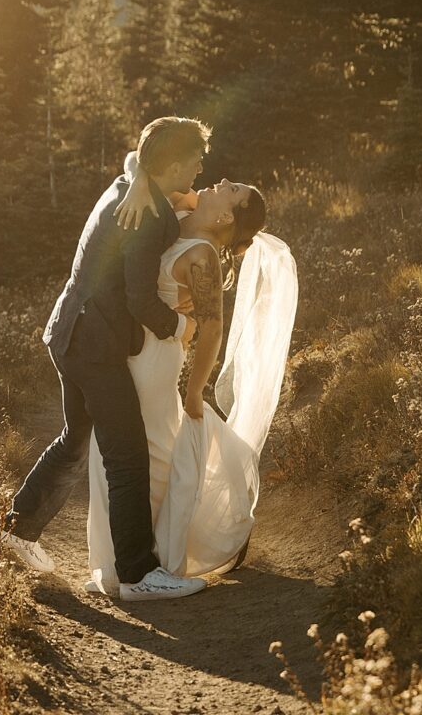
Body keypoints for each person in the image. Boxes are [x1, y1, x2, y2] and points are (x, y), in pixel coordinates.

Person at [0, 116, 215, 601]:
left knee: (76, 438)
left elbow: (136, 159)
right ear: (172, 164)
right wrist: (181, 328)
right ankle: (137, 576)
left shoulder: (129, 184)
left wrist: (138, 173)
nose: (200, 167)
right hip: (94, 346)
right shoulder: (149, 215)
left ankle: (14, 528)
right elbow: (139, 299)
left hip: (69, 332)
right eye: (195, 160)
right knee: (128, 456)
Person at [86, 160, 298, 594]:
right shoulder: (179, 209)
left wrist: (196, 389)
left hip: (153, 361)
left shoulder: (202, 255)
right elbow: (139, 158)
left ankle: (148, 565)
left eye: (231, 187)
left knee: (151, 456)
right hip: (121, 351)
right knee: (107, 451)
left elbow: (213, 328)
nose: (221, 180)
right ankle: (112, 568)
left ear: (225, 217)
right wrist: (140, 182)